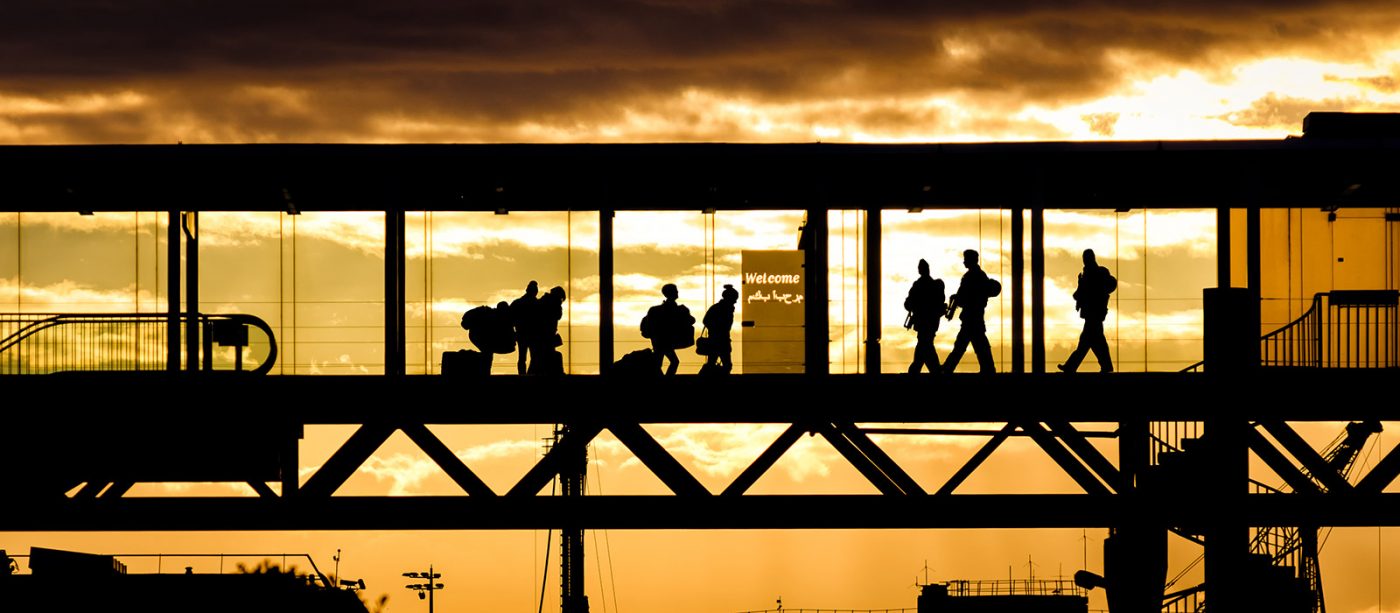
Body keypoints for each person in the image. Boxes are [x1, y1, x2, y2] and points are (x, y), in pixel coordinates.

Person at [1060, 249, 1116, 373]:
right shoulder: (1091, 274)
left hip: (1094, 313)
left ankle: (1071, 367)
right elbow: (1081, 293)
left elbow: (1110, 284)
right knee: (1094, 342)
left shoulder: (1098, 273)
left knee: (1087, 342)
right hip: (1092, 313)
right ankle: (1106, 366)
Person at [943, 249, 998, 374]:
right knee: (977, 345)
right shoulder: (977, 275)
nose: (964, 262)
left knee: (965, 346)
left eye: (966, 259)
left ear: (970, 260)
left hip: (972, 317)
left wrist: (957, 299)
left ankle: (948, 368)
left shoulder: (973, 276)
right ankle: (988, 369)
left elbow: (968, 297)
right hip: (974, 317)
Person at [641, 283, 695, 375]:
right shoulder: (675, 309)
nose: (677, 292)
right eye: (675, 291)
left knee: (660, 362)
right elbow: (691, 320)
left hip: (658, 341)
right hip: (665, 341)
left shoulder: (655, 310)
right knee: (671, 362)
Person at [904, 259, 946, 374]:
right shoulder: (936, 285)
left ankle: (920, 369)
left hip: (923, 321)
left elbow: (908, 303)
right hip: (932, 322)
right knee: (925, 345)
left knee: (924, 345)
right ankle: (930, 369)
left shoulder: (918, 285)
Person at [701, 284, 739, 375]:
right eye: (734, 299)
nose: (735, 301)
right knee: (725, 365)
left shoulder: (720, 308)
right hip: (718, 340)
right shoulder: (719, 308)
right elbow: (706, 321)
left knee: (713, 364)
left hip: (720, 340)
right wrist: (717, 329)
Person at [529, 286, 566, 376]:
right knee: (544, 356)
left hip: (540, 335)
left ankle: (533, 374)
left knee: (538, 358)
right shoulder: (552, 304)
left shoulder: (543, 301)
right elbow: (557, 316)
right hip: (544, 335)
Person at [510, 281, 540, 375]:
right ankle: (528, 376)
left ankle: (524, 376)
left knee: (524, 357)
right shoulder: (537, 304)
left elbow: (510, 318)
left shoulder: (518, 303)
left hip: (522, 334)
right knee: (533, 357)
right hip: (530, 334)